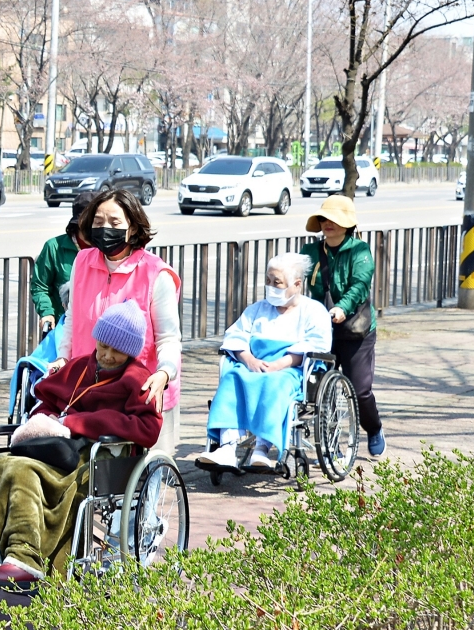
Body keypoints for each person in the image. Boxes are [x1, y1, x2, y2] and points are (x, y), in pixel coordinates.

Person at [0, 301, 162, 583]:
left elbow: (148, 429)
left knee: (25, 471)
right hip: (58, 445)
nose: (106, 355)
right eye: (103, 345)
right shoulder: (81, 366)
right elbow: (46, 399)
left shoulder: (138, 379)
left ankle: (26, 557)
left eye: (116, 351)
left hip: (100, 452)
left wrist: (80, 424)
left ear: (130, 352)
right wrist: (46, 421)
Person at [50, 188, 183, 450]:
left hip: (139, 391)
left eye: (114, 222)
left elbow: (168, 338)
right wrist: (63, 359)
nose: (104, 229)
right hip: (89, 389)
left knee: (144, 476)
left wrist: (164, 373)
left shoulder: (156, 274)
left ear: (132, 227)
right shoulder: (83, 261)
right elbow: (72, 319)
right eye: (98, 222)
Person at [194, 254, 333, 472]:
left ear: (297, 285)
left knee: (274, 383)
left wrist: (280, 364)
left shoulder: (314, 311)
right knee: (232, 377)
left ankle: (262, 449)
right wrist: (248, 359)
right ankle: (227, 448)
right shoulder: (257, 309)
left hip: (290, 369)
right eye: (268, 281)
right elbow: (236, 335)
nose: (270, 287)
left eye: (276, 282)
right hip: (252, 363)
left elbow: (316, 344)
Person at [300, 194, 385, 456]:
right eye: (324, 219)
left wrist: (341, 307)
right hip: (321, 328)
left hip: (356, 329)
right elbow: (293, 280)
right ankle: (331, 443)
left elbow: (360, 285)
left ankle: (373, 428)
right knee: (319, 389)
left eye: (335, 220)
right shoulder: (310, 251)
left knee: (359, 391)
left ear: (347, 224)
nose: (328, 224)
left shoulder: (360, 251)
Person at [30, 193, 93, 335]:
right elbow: (40, 286)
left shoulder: (106, 249)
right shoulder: (54, 247)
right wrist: (47, 312)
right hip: (62, 328)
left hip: (96, 331)